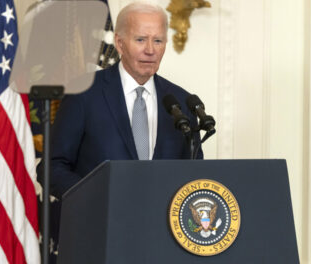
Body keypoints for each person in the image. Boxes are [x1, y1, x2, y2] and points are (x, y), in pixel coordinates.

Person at [50, 2, 202, 199]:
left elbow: (195, 172)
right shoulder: (84, 92)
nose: (150, 50)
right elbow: (53, 166)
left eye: (158, 41)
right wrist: (92, 199)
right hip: (100, 223)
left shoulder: (181, 102)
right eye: (140, 39)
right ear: (119, 43)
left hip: (163, 224)